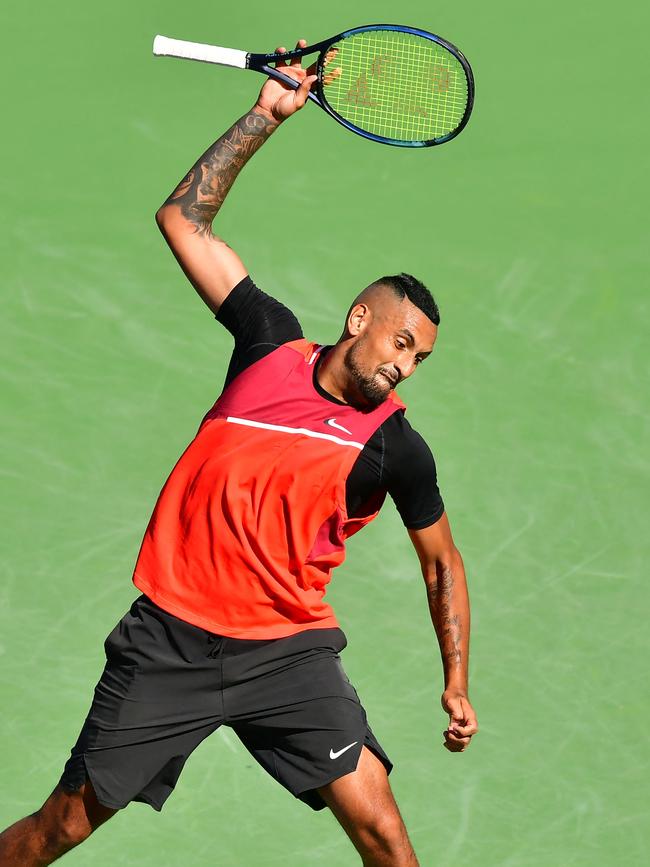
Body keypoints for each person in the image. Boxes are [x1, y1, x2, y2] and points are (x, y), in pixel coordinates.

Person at [0, 40, 478, 866]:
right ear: (359, 319)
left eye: (419, 358)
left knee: (384, 831)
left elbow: (443, 563)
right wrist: (264, 117)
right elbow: (183, 220)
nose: (404, 363)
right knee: (60, 829)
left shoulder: (397, 445)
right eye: (400, 341)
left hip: (287, 652)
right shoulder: (266, 345)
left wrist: (457, 680)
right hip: (171, 640)